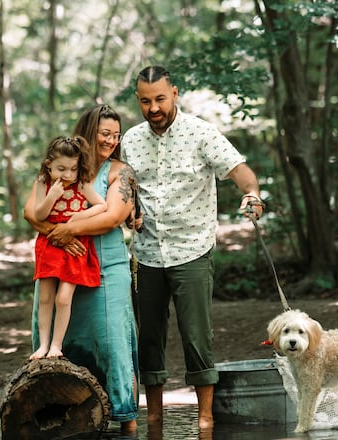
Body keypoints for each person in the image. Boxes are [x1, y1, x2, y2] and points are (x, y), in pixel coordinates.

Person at [120, 65, 264, 430]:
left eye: (160, 99)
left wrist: (252, 194)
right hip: (147, 255)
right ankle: (154, 417)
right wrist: (129, 215)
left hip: (192, 251)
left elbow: (240, 171)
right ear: (138, 100)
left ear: (175, 94)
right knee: (148, 336)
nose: (153, 107)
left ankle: (204, 420)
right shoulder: (130, 141)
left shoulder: (201, 133)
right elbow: (122, 192)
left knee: (197, 335)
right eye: (145, 101)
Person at [23, 105, 140, 432]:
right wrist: (56, 235)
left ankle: (124, 419)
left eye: (116, 135)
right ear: (88, 131)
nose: (110, 141)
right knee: (60, 330)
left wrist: (69, 229)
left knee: (111, 343)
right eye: (104, 133)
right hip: (59, 260)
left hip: (106, 268)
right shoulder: (61, 165)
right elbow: (31, 213)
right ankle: (59, 415)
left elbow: (113, 216)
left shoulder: (122, 172)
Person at [29, 135, 107, 360]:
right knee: (45, 297)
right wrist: (52, 196)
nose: (68, 175)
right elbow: (38, 215)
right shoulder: (44, 183)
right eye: (61, 168)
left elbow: (102, 205)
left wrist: (80, 215)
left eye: (73, 169)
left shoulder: (81, 184)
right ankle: (42, 345)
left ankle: (56, 345)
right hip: (49, 243)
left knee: (63, 298)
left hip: (76, 245)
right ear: (48, 165)